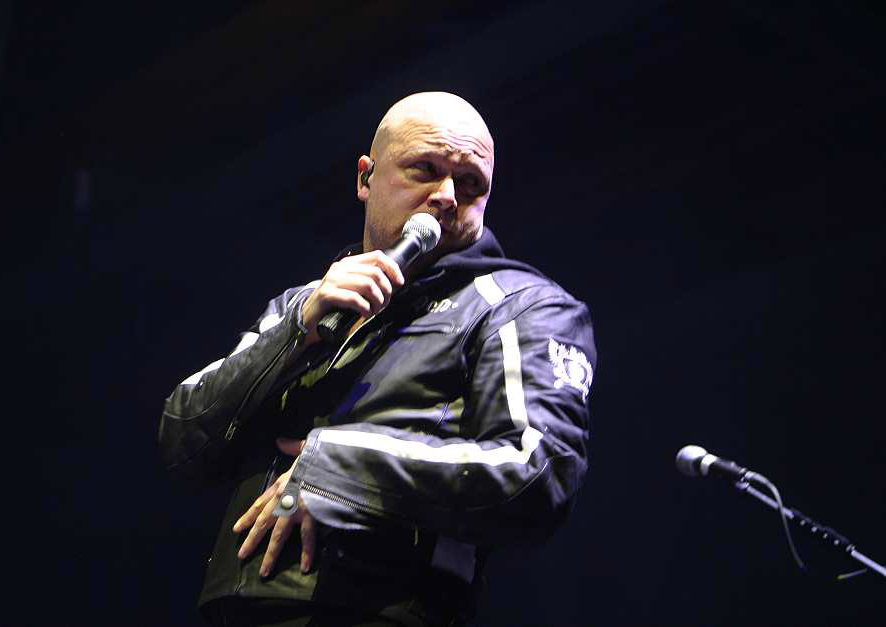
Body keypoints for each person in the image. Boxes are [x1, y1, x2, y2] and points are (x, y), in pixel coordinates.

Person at [158, 92, 596, 627]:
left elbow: (538, 474)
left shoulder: (520, 305)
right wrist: (297, 330)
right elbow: (182, 437)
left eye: (470, 183)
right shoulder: (304, 304)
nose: (446, 196)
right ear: (366, 178)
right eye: (424, 170)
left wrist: (338, 466)